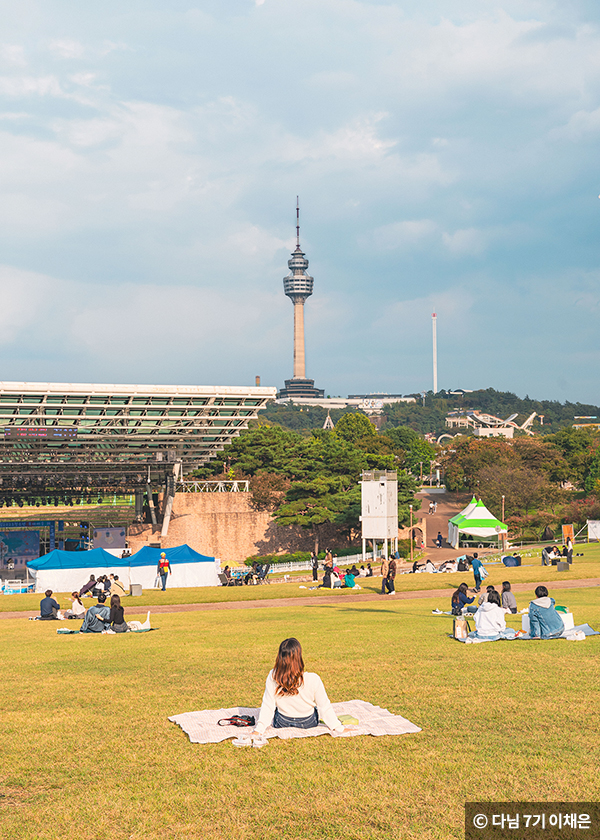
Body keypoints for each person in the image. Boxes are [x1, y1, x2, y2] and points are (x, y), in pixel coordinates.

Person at [253, 638, 345, 740]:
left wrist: (259, 729)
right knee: (315, 709)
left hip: (282, 722)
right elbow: (324, 707)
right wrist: (338, 727)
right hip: (308, 723)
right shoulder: (313, 678)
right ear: (299, 657)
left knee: (276, 710)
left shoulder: (273, 675)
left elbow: (268, 705)